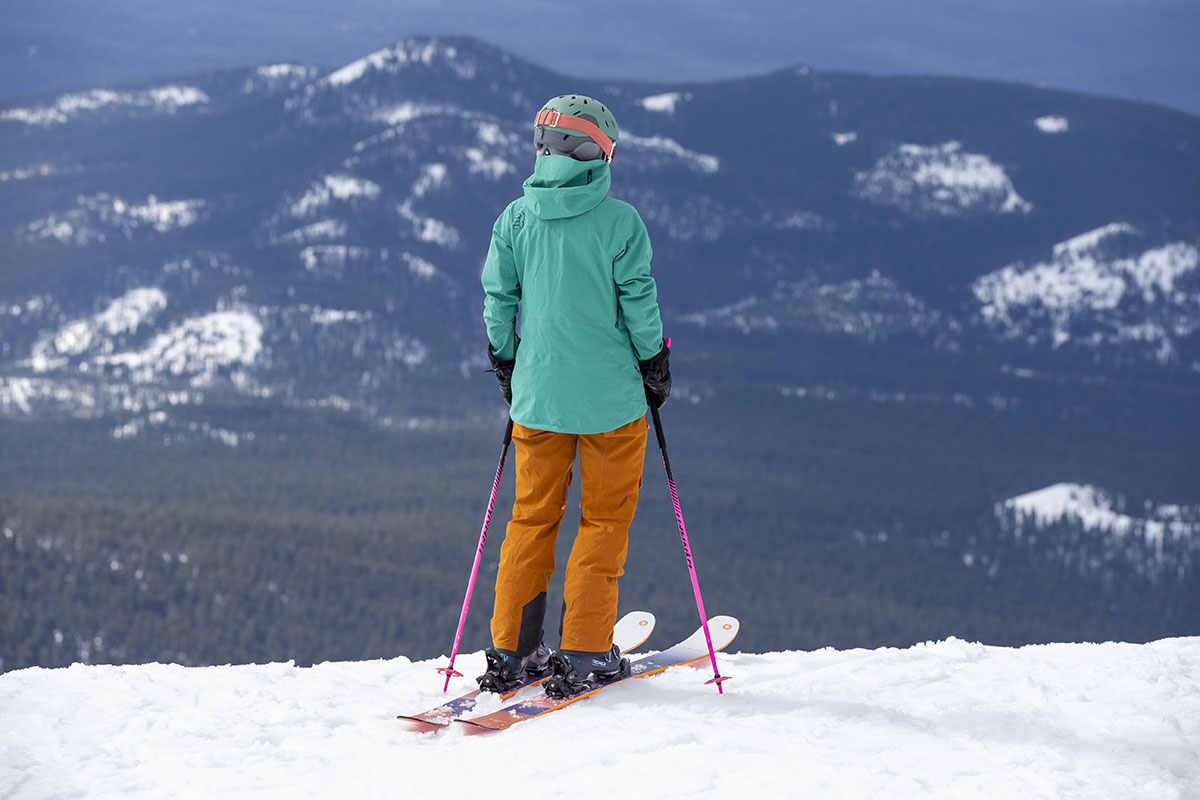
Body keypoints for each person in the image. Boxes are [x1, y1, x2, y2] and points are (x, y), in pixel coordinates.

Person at [478, 94, 671, 698]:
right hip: (613, 403)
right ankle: (585, 652)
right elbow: (639, 305)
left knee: (531, 519)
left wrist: (506, 364)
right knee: (604, 520)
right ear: (596, 153)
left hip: (537, 399)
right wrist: (655, 362)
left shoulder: (514, 219)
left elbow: (497, 303)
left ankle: (512, 653)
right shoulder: (620, 223)